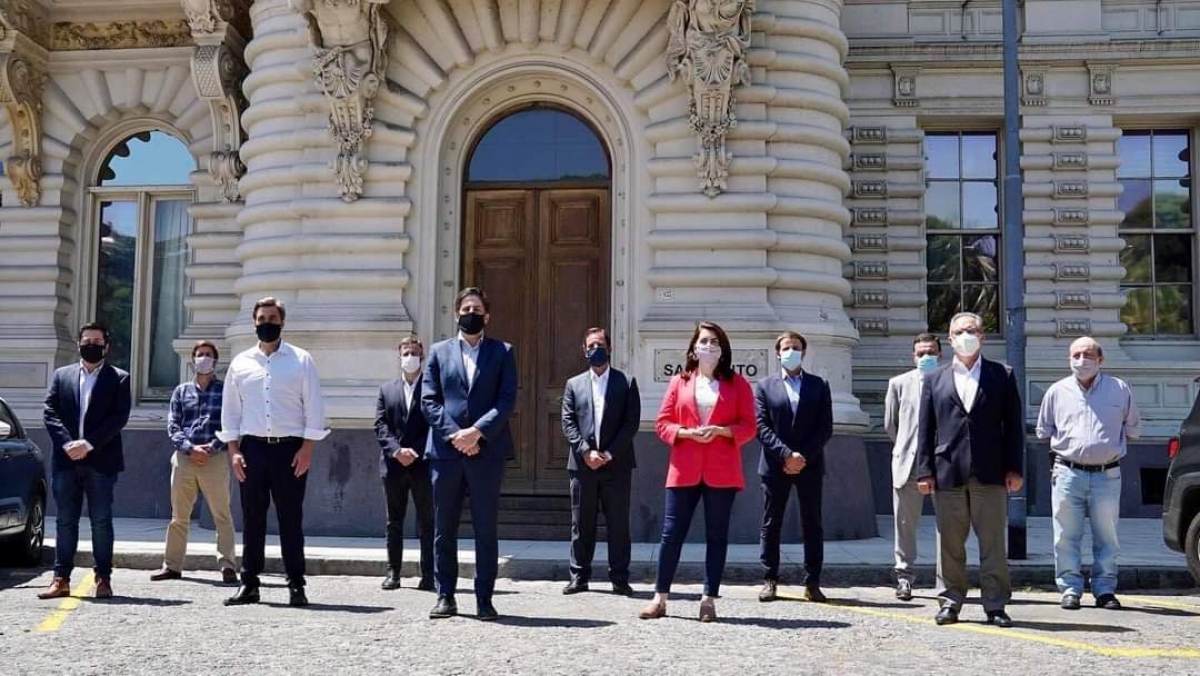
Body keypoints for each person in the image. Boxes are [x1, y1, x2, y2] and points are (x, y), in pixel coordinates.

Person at [639, 321, 755, 623]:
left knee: (717, 536)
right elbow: (662, 423)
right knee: (671, 534)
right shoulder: (680, 381)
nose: (709, 346)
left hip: (721, 469)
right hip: (684, 468)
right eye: (704, 341)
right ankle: (660, 597)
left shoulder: (737, 383)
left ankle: (708, 599)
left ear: (723, 349)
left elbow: (749, 426)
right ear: (693, 348)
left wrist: (723, 431)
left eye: (715, 341)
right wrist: (686, 433)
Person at [219, 297, 328, 607]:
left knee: (290, 519)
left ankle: (296, 584)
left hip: (290, 450)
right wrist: (234, 450)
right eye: (261, 318)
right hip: (252, 449)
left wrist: (307, 448)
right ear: (254, 322)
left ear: (282, 322)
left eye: (272, 318)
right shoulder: (241, 363)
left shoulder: (301, 359)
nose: (266, 323)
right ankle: (249, 583)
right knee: (252, 519)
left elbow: (314, 406)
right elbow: (231, 410)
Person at [917, 311, 1024, 627]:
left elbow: (1013, 428)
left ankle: (995, 605)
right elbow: (926, 429)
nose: (967, 335)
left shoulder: (1001, 374)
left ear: (982, 337)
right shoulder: (934, 378)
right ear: (949, 339)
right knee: (949, 543)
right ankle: (950, 601)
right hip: (947, 472)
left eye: (973, 330)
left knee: (992, 543)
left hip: (990, 472)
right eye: (960, 331)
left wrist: (1015, 468)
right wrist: (924, 471)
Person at [422, 287, 517, 622]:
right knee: (443, 528)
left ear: (487, 316)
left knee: (485, 529)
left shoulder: (503, 351)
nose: (471, 313)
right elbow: (429, 400)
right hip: (446, 454)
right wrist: (455, 435)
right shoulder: (438, 352)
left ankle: (484, 598)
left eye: (477, 308)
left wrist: (477, 433)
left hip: (486, 452)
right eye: (465, 308)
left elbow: (506, 400)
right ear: (456, 313)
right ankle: (445, 595)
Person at [1036, 336, 1140, 611]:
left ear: (1101, 359)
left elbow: (1132, 429)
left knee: (1107, 536)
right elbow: (1044, 430)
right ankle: (1070, 588)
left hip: (1107, 475)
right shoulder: (1057, 392)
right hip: (1068, 473)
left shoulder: (1119, 389)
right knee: (1065, 535)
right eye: (1076, 355)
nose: (1082, 360)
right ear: (1069, 359)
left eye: (1089, 355)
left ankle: (1105, 589)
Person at [39, 322, 131, 600]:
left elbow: (118, 417)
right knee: (65, 521)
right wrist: (68, 443)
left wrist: (88, 444)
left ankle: (103, 578)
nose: (92, 345)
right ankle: (61, 578)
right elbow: (50, 411)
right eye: (87, 340)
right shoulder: (62, 375)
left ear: (106, 346)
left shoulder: (119, 378)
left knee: (101, 521)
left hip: (101, 461)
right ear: (78, 344)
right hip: (66, 460)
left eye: (97, 341)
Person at [560, 327, 641, 596]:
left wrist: (609, 453)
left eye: (601, 344)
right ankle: (579, 576)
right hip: (582, 466)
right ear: (584, 350)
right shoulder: (574, 384)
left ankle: (619, 577)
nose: (596, 349)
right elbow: (568, 422)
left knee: (618, 523)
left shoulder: (626, 382)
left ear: (609, 348)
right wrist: (586, 452)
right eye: (591, 345)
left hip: (616, 465)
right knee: (581, 523)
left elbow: (631, 423)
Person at [755, 331, 833, 603]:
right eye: (786, 347)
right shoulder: (765, 386)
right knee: (771, 523)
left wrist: (802, 457)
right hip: (775, 465)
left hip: (809, 465)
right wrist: (787, 454)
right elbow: (761, 426)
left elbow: (825, 427)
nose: (791, 351)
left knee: (812, 524)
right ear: (778, 353)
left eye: (796, 347)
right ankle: (770, 579)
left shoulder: (819, 385)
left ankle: (812, 582)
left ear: (804, 351)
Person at [151, 340, 238, 584]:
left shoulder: (225, 391)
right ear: (192, 360)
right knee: (179, 516)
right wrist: (190, 448)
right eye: (200, 354)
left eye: (209, 355)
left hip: (215, 458)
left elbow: (231, 423)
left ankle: (228, 565)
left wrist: (212, 447)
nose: (204, 358)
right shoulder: (181, 392)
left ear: (216, 361)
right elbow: (173, 425)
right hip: (185, 459)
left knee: (222, 514)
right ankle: (172, 565)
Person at [883, 333, 942, 600]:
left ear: (940, 354)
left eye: (931, 352)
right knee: (905, 525)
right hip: (909, 465)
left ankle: (946, 579)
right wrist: (908, 449)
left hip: (945, 466)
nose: (926, 357)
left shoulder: (952, 380)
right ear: (913, 356)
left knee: (950, 526)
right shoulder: (898, 384)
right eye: (921, 353)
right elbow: (891, 424)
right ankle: (904, 576)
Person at [374, 335, 435, 592]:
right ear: (399, 356)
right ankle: (393, 572)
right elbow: (380, 425)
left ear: (422, 356)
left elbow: (435, 423)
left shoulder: (432, 389)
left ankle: (429, 574)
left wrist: (416, 451)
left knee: (427, 521)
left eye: (414, 353)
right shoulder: (386, 390)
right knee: (394, 521)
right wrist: (397, 451)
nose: (410, 357)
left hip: (422, 464)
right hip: (393, 465)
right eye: (406, 353)